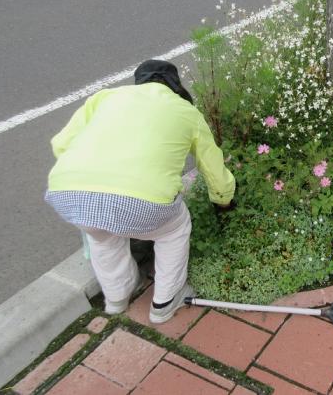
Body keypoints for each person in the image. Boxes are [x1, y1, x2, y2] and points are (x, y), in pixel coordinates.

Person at [45, 60, 235, 323]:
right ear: (175, 86)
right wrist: (223, 200)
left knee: (103, 237)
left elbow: (61, 144)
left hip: (68, 195)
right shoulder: (186, 111)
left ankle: (116, 299)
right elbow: (212, 166)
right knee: (174, 230)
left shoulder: (105, 97)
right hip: (144, 205)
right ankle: (166, 301)